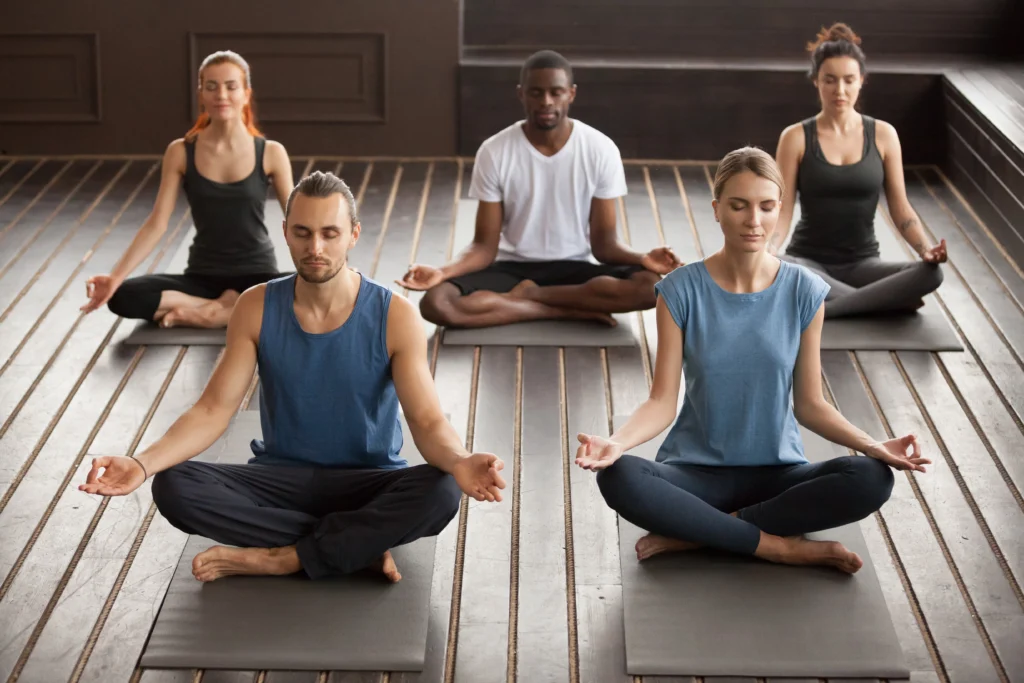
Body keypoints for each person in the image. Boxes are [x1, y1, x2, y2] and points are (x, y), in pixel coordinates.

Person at [78, 171, 506, 583]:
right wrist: (141, 463)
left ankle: (285, 558)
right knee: (174, 485)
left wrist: (460, 460)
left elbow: (428, 422)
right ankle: (354, 545)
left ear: (353, 235)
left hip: (369, 481)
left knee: (441, 491)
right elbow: (212, 409)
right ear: (285, 232)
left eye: (330, 233)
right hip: (281, 479)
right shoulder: (255, 306)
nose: (315, 246)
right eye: (302, 232)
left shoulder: (395, 315)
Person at [575, 148, 930, 574]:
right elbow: (661, 402)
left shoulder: (805, 290)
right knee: (619, 477)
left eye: (766, 206)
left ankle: (704, 533)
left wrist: (873, 446)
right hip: (695, 475)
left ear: (780, 209)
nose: (753, 220)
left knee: (872, 478)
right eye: (738, 205)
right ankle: (780, 548)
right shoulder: (678, 291)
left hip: (778, 475)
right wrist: (617, 443)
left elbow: (811, 405)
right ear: (717, 210)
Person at [397, 50, 680, 328]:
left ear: (571, 93)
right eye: (536, 93)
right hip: (511, 268)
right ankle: (561, 312)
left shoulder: (600, 149)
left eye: (556, 93)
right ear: (521, 94)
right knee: (437, 303)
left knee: (650, 288)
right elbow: (484, 246)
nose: (546, 101)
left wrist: (641, 258)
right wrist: (442, 272)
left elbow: (604, 245)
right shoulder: (494, 151)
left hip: (573, 267)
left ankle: (531, 298)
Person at [80, 50, 295, 329]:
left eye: (231, 86)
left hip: (258, 275)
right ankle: (223, 310)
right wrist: (115, 277)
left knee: (319, 291)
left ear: (245, 93)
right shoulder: (180, 151)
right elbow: (157, 224)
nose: (221, 95)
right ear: (201, 94)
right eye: (211, 86)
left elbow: (298, 221)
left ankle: (212, 314)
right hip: (202, 277)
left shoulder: (271, 152)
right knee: (122, 296)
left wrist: (332, 268)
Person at [772, 23, 947, 319]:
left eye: (848, 80)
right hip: (808, 262)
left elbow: (901, 209)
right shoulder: (795, 137)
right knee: (781, 269)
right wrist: (769, 250)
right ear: (816, 81)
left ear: (861, 81)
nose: (839, 90)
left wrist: (925, 250)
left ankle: (831, 307)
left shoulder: (883, 134)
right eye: (830, 80)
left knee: (932, 275)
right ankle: (883, 302)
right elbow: (782, 210)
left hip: (864, 265)